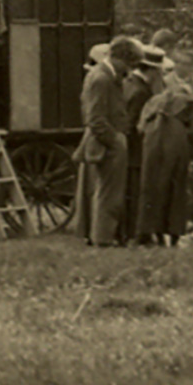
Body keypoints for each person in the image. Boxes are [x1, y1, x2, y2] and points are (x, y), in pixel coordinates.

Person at [75, 36, 144, 247]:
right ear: (120, 58)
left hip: (109, 139)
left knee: (106, 192)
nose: (130, 71)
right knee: (109, 194)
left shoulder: (104, 76)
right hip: (109, 142)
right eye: (129, 65)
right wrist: (114, 141)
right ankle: (103, 239)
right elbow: (95, 118)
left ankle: (102, 236)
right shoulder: (102, 79)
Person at [133, 52, 193, 245]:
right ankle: (173, 234)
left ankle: (149, 231)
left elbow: (140, 127)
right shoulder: (191, 102)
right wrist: (191, 155)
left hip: (152, 143)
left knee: (151, 187)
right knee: (176, 187)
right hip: (177, 144)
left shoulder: (154, 102)